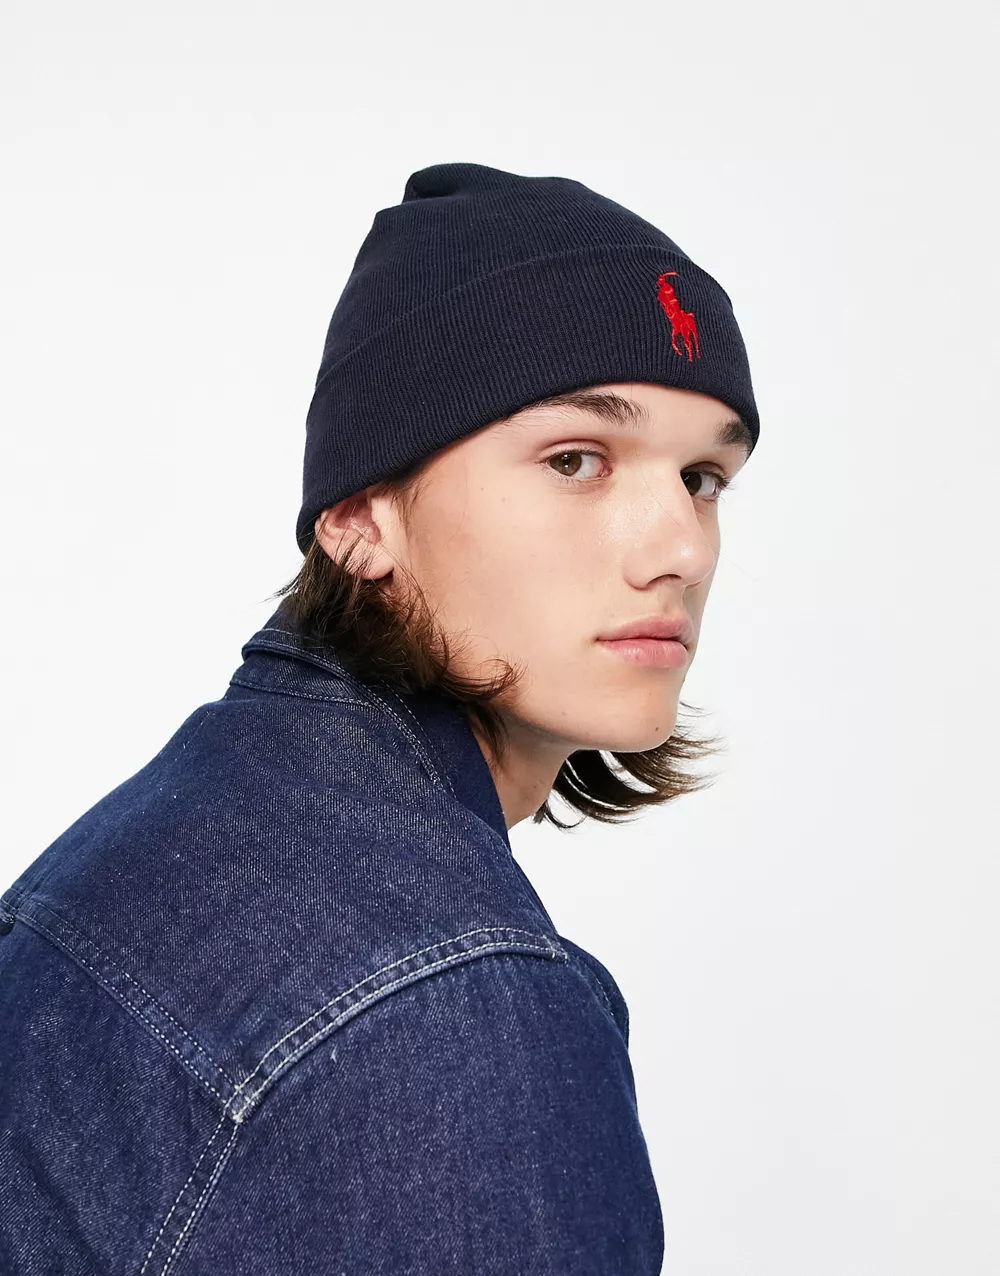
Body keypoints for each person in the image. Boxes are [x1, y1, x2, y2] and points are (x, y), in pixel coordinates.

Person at [0, 161, 759, 1274]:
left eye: (703, 477)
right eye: (576, 460)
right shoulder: (452, 1014)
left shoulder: (166, 830)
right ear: (359, 516)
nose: (681, 548)